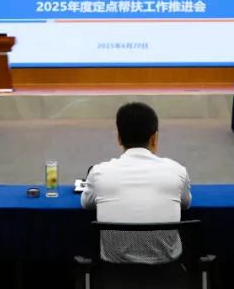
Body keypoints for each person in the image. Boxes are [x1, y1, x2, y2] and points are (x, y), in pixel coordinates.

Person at [81, 102, 191, 263]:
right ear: (154, 138)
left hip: (113, 269)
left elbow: (86, 203)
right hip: (168, 268)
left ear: (119, 138)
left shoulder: (98, 172)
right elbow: (186, 203)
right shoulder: (178, 171)